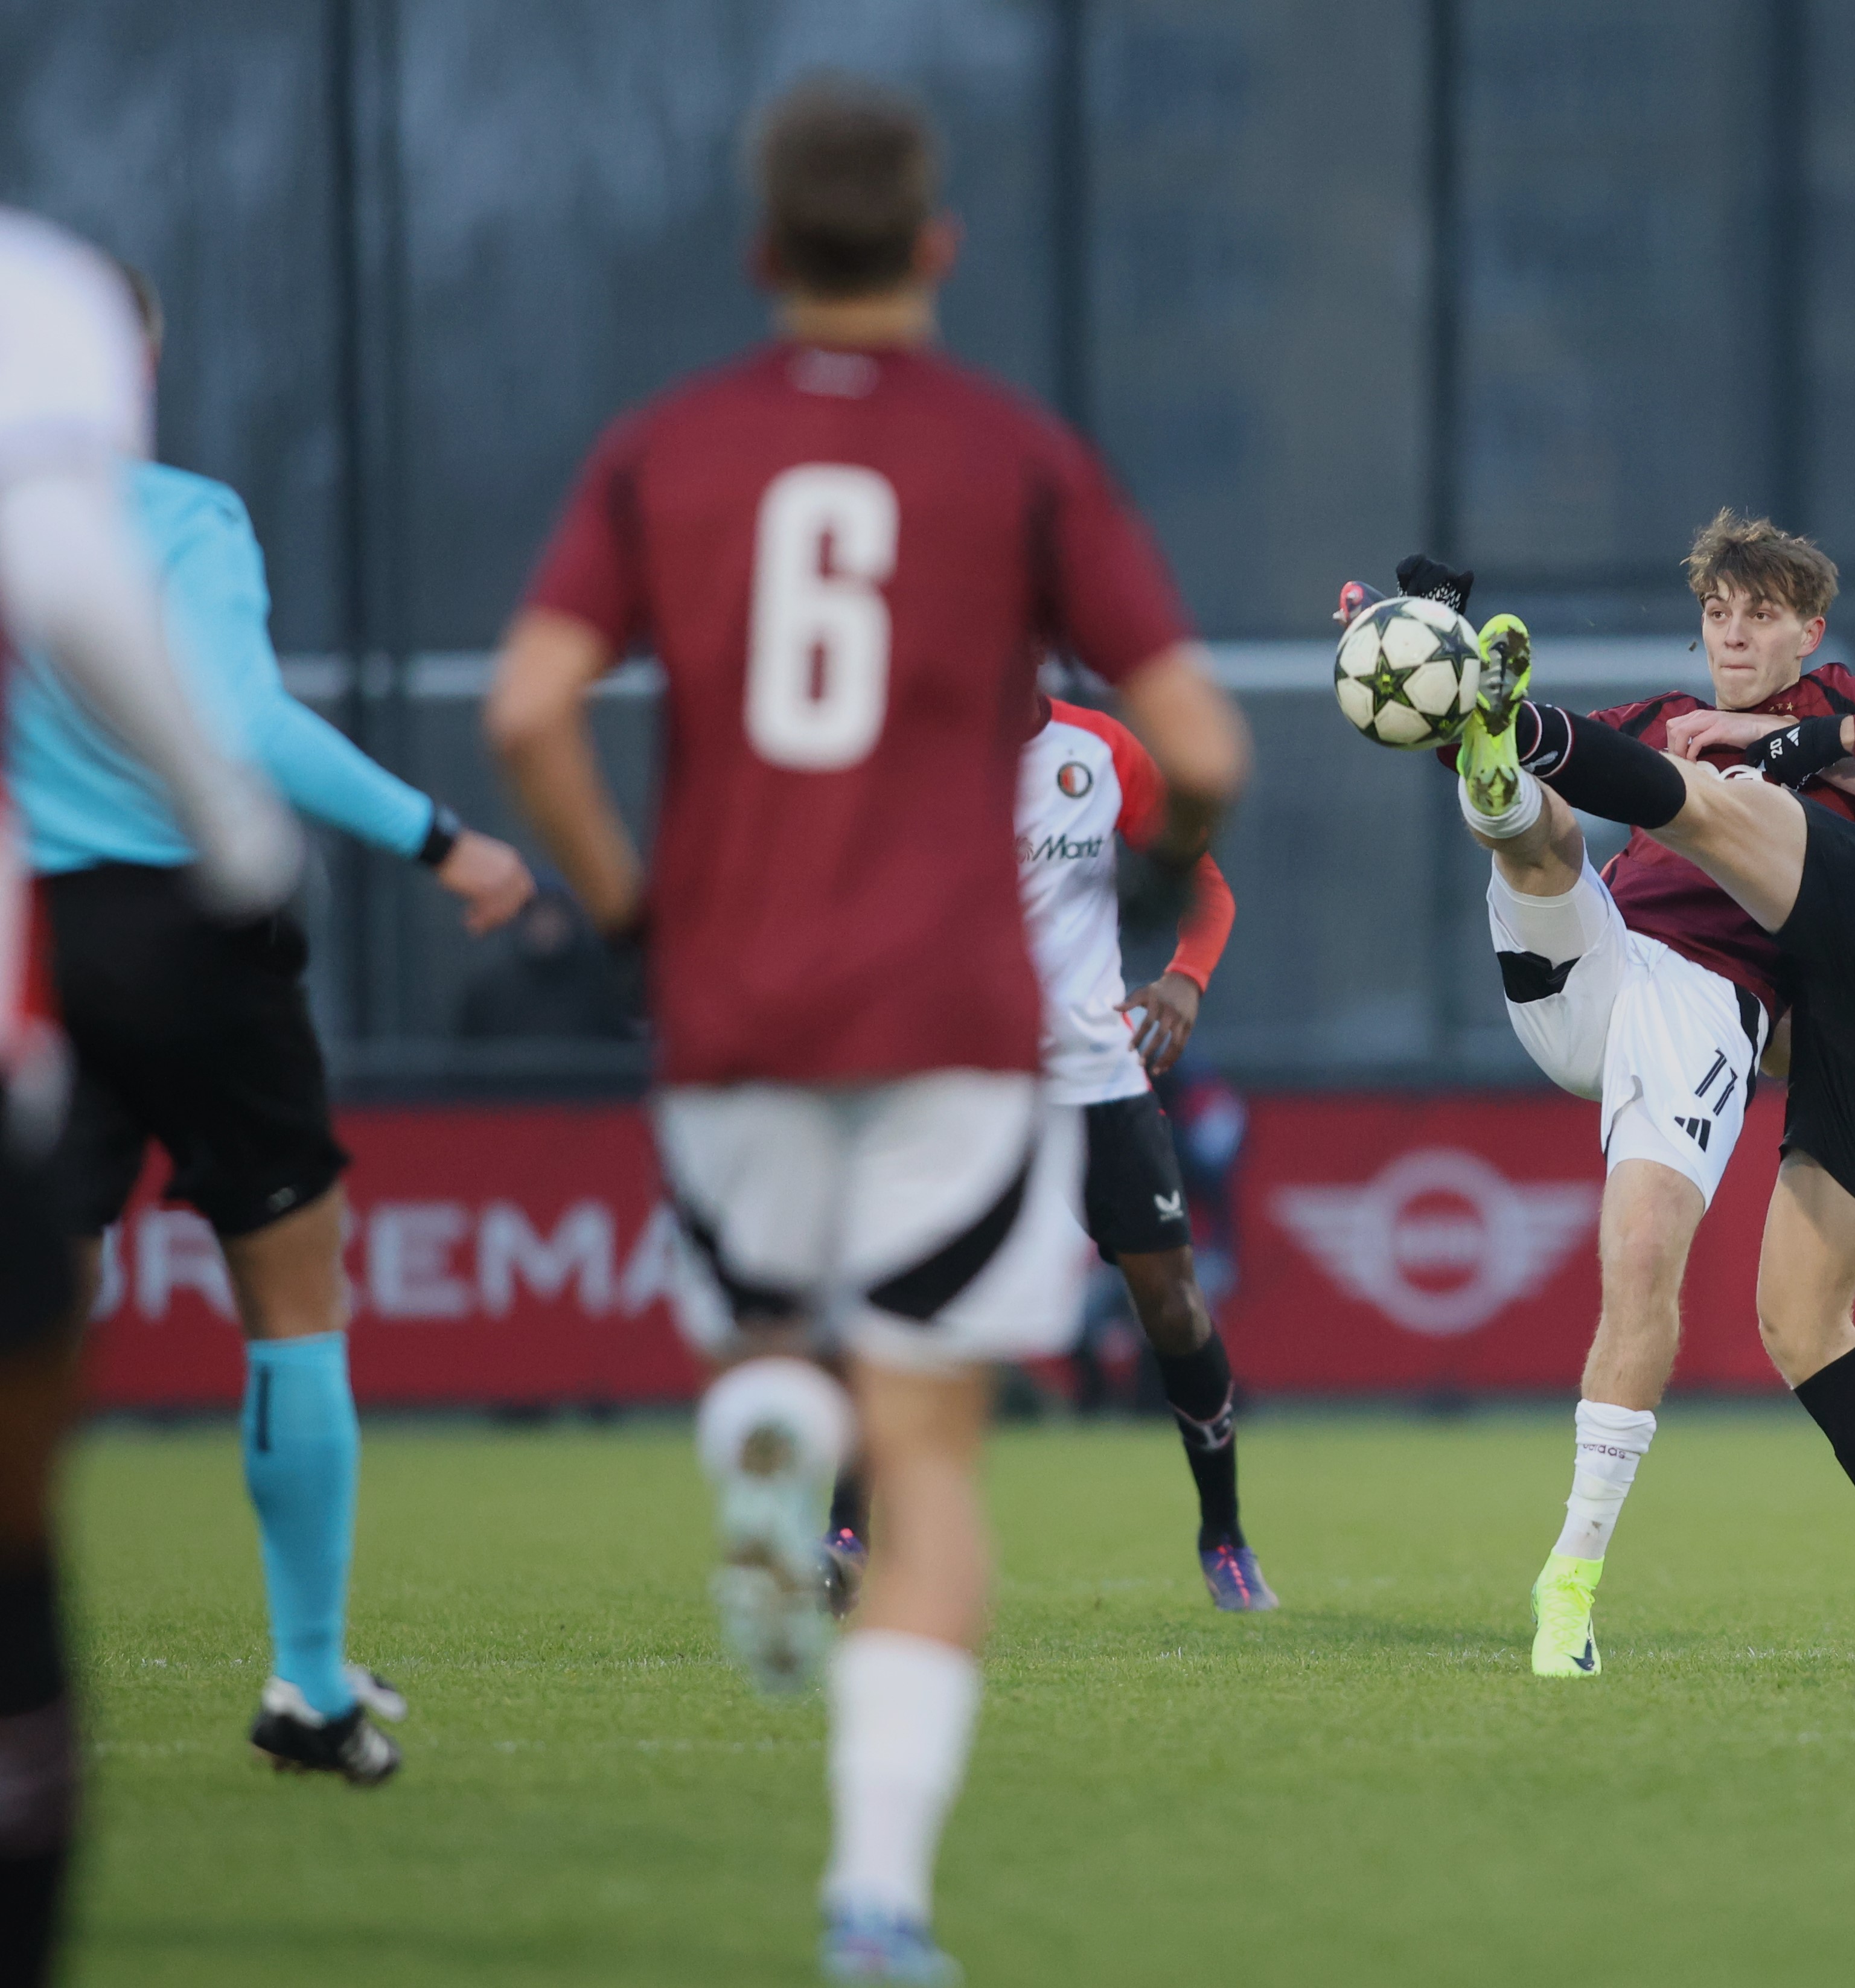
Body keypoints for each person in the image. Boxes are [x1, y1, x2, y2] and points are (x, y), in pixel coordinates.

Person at [485, 79, 1244, 1984]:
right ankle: (876, 1901)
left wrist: (638, 916)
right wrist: (1171, 876)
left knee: (783, 1349)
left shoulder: (664, 449)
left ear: (761, 255)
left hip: (731, 1005)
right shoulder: (1013, 456)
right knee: (931, 1458)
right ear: (935, 245)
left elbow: (527, 707)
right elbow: (1205, 749)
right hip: (951, 1028)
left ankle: (763, 1422)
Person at [8, 266, 537, 1792]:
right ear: (133, 363)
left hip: (28, 949)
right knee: (293, 1289)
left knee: (28, 1314)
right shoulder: (182, 515)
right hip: (187, 929)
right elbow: (239, 718)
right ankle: (308, 1676)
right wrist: (442, 839)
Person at [1374, 515, 1855, 1677]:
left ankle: (1569, 1585)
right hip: (1591, 964)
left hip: (1701, 998)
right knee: (1541, 822)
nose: (1734, 634)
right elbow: (1524, 741)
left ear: (1809, 629)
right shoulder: (1664, 716)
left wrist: (1814, 748)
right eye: (1717, 613)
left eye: (1761, 614)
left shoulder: (1835, 713)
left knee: (1642, 1254)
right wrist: (1420, 655)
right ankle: (1497, 770)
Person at [0, 209, 302, 1988]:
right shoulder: (38, 298)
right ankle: (313, 1670)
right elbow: (86, 591)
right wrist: (239, 822)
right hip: (109, 957)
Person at [837, 691, 1272, 1610]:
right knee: (901, 1300)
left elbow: (1208, 886)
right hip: (963, 1080)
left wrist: (1187, 979)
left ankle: (1225, 1537)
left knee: (1173, 1307)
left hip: (1095, 1079)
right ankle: (843, 1534)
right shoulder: (917, 749)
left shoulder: (1101, 749)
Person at [455, 887, 637, 1041]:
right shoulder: (490, 991)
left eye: (553, 914)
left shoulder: (601, 987)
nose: (545, 925)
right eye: (536, 915)